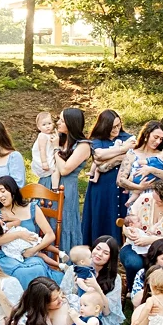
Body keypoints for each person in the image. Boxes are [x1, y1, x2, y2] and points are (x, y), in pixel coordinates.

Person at [0, 178, 55, 285]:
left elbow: (50, 235)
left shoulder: (32, 208)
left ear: (12, 190)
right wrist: (19, 235)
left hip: (31, 254)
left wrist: (33, 250)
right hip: (8, 256)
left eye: (3, 191)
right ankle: (20, 301)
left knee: (37, 269)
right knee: (21, 272)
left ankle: (38, 300)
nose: (0, 196)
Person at [120, 178, 163, 286]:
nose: (155, 202)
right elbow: (126, 223)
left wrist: (150, 240)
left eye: (159, 201)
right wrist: (129, 233)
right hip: (133, 246)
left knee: (162, 266)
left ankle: (159, 291)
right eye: (154, 197)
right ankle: (134, 290)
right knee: (134, 263)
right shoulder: (144, 199)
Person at [81, 109, 134, 247]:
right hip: (102, 186)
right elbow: (98, 156)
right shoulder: (98, 141)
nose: (116, 129)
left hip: (121, 185)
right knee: (102, 216)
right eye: (112, 127)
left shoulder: (127, 137)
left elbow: (131, 155)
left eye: (118, 125)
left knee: (120, 216)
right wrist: (124, 150)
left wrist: (109, 157)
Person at [49, 108, 93, 253]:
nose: (58, 122)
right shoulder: (61, 140)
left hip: (67, 187)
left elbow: (65, 169)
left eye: (62, 120)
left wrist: (56, 149)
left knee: (65, 221)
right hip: (50, 184)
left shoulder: (83, 146)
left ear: (71, 123)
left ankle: (65, 258)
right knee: (49, 221)